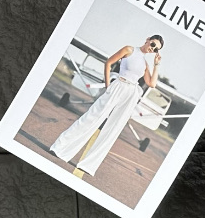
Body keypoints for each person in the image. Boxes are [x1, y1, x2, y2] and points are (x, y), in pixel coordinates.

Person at [49, 34, 163, 175]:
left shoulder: (146, 64)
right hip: (118, 85)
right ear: (147, 40)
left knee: (113, 129)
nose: (153, 48)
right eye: (153, 44)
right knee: (91, 117)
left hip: (131, 94)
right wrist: (108, 85)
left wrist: (156, 65)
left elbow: (152, 83)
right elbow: (109, 63)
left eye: (156, 49)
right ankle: (59, 148)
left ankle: (88, 165)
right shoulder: (129, 49)